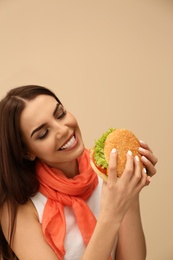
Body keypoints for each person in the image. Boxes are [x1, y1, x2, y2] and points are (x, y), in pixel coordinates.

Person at [0, 85, 157, 260]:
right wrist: (111, 214)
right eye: (43, 133)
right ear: (26, 152)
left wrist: (130, 189)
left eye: (60, 114)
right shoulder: (18, 208)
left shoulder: (105, 170)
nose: (63, 129)